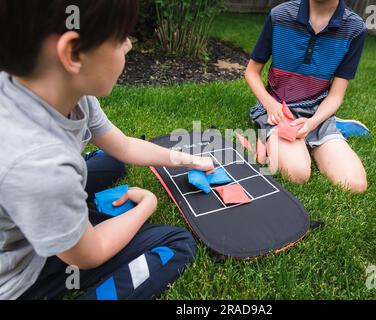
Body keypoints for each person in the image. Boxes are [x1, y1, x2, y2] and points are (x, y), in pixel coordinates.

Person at [0, 0, 215, 300]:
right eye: (121, 38)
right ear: (74, 53)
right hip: (19, 276)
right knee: (175, 244)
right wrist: (146, 205)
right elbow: (87, 255)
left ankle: (68, 209)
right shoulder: (40, 166)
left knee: (112, 161)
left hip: (32, 206)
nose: (128, 46)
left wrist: (185, 159)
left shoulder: (66, 91)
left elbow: (123, 146)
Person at [245, 0, 368, 193]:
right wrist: (269, 104)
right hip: (280, 109)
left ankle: (332, 128)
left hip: (318, 113)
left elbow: (336, 95)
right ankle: (275, 137)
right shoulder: (280, 15)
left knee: (355, 185)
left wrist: (312, 123)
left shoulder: (355, 28)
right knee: (297, 174)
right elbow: (251, 72)